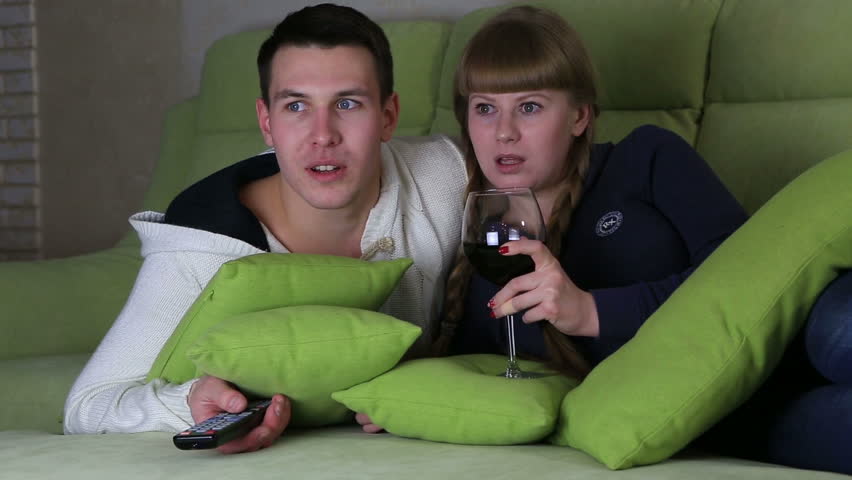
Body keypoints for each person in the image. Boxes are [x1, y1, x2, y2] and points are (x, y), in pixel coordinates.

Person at [426, 5, 852, 475]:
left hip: (793, 334)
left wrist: (590, 311)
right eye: (485, 108)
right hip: (741, 415)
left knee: (840, 324)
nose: (504, 133)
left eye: (529, 107)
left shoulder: (647, 158)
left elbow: (748, 275)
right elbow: (478, 384)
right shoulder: (483, 254)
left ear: (579, 117)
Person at [63, 3, 466, 454]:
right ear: (266, 123)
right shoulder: (203, 243)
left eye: (347, 103)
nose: (323, 134)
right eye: (296, 105)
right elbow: (89, 406)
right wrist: (189, 402)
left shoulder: (446, 176)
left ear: (388, 116)